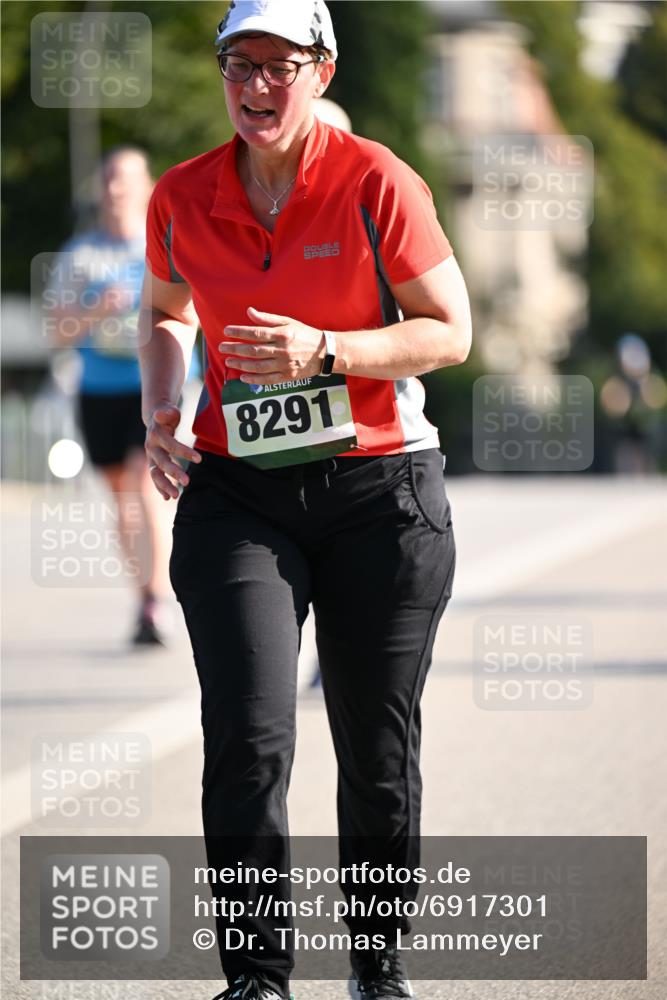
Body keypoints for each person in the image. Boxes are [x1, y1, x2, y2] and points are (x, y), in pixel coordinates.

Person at [139, 2, 471, 997]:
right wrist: (162, 406)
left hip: (380, 489)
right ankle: (257, 977)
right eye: (239, 64)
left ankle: (377, 968)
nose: (256, 86)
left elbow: (449, 330)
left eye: (280, 65)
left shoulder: (377, 181)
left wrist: (327, 350)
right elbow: (164, 312)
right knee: (248, 735)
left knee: (374, 746)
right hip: (239, 493)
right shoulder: (181, 195)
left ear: (321, 71)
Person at [49, 147, 168, 645]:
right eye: (108, 181)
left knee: (143, 486)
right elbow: (56, 331)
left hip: (152, 381)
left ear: (147, 189)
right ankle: (142, 595)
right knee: (122, 498)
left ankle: (156, 599)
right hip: (99, 387)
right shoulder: (80, 255)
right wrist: (97, 310)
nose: (115, 190)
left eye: (125, 181)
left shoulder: (163, 244)